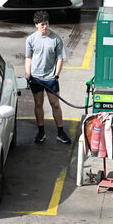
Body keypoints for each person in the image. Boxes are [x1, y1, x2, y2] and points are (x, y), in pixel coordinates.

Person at [24, 11, 71, 144]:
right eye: (42, 24)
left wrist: (56, 75)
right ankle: (41, 132)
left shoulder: (56, 39)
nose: (45, 26)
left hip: (50, 78)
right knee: (38, 104)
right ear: (36, 25)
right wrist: (28, 74)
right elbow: (28, 58)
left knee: (55, 104)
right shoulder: (31, 39)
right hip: (36, 78)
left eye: (47, 24)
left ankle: (60, 132)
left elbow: (60, 59)